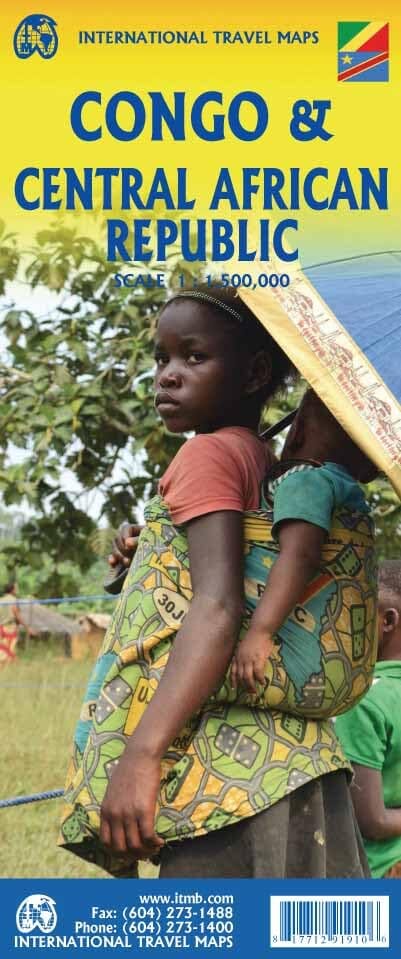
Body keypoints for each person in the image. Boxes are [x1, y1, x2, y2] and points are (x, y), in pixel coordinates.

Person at [59, 285, 369, 879]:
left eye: (194, 357)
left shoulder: (206, 457)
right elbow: (244, 567)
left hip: (222, 776)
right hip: (295, 761)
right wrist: (151, 546)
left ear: (255, 373)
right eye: (161, 358)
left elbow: (219, 606)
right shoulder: (260, 460)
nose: (168, 376)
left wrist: (142, 755)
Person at [230, 388, 378, 715]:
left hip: (286, 653)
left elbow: (300, 554)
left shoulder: (306, 481)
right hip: (339, 671)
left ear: (296, 432)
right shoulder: (348, 493)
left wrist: (260, 632)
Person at [336, 561, 401, 878]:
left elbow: (373, 822)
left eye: (356, 613)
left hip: (377, 870)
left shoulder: (363, 701)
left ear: (387, 621)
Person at [0, 580, 26, 664]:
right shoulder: (14, 600)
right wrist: (26, 626)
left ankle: (7, 662)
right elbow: (17, 615)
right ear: (12, 590)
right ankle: (10, 661)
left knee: (4, 647)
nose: (17, 590)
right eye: (16, 588)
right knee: (10, 646)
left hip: (2, 627)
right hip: (10, 627)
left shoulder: (1, 600)